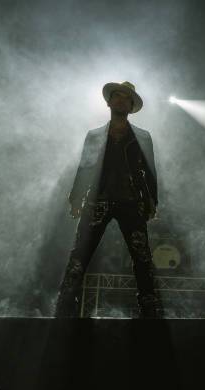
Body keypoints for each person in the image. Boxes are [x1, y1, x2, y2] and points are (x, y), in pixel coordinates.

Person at [54, 81, 161, 318]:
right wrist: (76, 198)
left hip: (131, 201)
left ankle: (149, 306)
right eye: (117, 96)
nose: (121, 100)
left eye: (126, 98)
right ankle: (65, 302)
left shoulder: (143, 137)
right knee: (80, 253)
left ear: (131, 105)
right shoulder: (94, 136)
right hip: (98, 200)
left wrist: (152, 200)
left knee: (141, 256)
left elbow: (150, 171)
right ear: (109, 102)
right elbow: (85, 166)